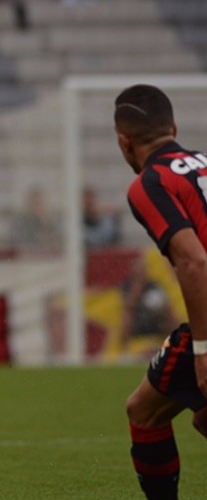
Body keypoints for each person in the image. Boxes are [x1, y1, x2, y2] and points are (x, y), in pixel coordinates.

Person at [115, 84, 207, 500]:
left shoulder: (151, 182)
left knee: (145, 412)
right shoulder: (205, 163)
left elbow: (194, 261)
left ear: (124, 141)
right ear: (174, 127)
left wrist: (204, 350)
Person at [10, 186, 62, 255]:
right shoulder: (21, 223)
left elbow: (57, 245)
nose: (38, 206)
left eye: (40, 202)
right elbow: (21, 248)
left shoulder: (51, 222)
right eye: (35, 203)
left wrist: (45, 222)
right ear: (29, 204)